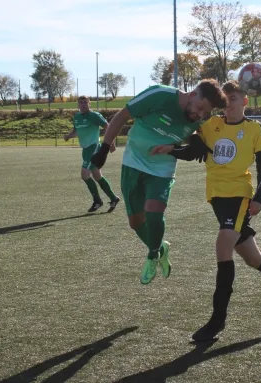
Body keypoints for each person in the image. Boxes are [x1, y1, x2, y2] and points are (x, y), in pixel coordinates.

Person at [153, 80, 261, 341]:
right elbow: (194, 151)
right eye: (226, 101)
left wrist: (259, 197)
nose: (229, 105)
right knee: (254, 259)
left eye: (235, 100)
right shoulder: (211, 125)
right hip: (216, 197)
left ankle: (217, 321)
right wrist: (171, 149)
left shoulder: (254, 130)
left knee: (222, 248)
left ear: (245, 102)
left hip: (239, 196)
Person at [90, 80, 227, 285]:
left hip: (162, 169)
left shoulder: (197, 118)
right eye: (199, 108)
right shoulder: (159, 95)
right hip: (133, 162)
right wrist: (103, 149)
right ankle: (161, 247)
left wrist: (196, 140)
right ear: (192, 94)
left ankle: (153, 254)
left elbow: (197, 133)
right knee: (136, 222)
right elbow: (122, 116)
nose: (199, 115)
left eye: (204, 113)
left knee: (154, 211)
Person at [63, 96, 120, 213]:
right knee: (97, 176)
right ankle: (113, 198)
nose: (83, 104)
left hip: (94, 148)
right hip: (85, 149)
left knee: (85, 175)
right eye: (81, 102)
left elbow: (108, 127)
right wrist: (68, 136)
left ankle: (97, 201)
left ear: (90, 104)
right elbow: (76, 131)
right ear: (78, 105)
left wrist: (110, 143)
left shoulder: (94, 116)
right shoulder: (77, 117)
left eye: (86, 102)